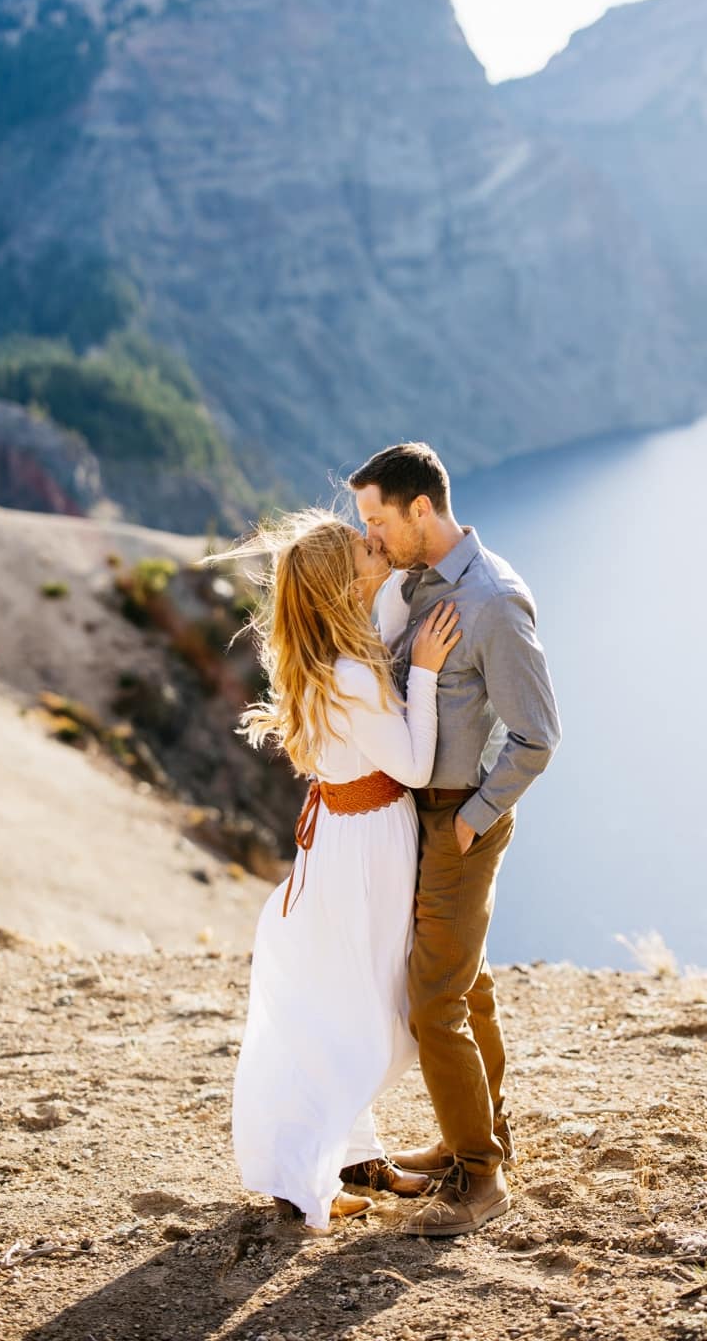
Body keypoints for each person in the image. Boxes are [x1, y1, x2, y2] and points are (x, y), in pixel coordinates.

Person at [226, 510, 461, 1232]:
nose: (377, 545)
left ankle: (355, 1155)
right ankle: (304, 1173)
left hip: (340, 837)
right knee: (373, 1012)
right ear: (343, 580)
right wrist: (423, 674)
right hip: (367, 845)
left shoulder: (324, 652)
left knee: (348, 996)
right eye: (365, 547)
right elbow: (414, 764)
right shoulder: (352, 672)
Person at [349, 441, 560, 1239]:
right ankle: (479, 1136)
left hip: (461, 820)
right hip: (420, 813)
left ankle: (481, 1180)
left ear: (422, 511)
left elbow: (538, 736)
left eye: (377, 520)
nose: (371, 536)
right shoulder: (414, 585)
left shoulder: (494, 601)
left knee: (433, 1000)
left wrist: (472, 818)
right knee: (465, 986)